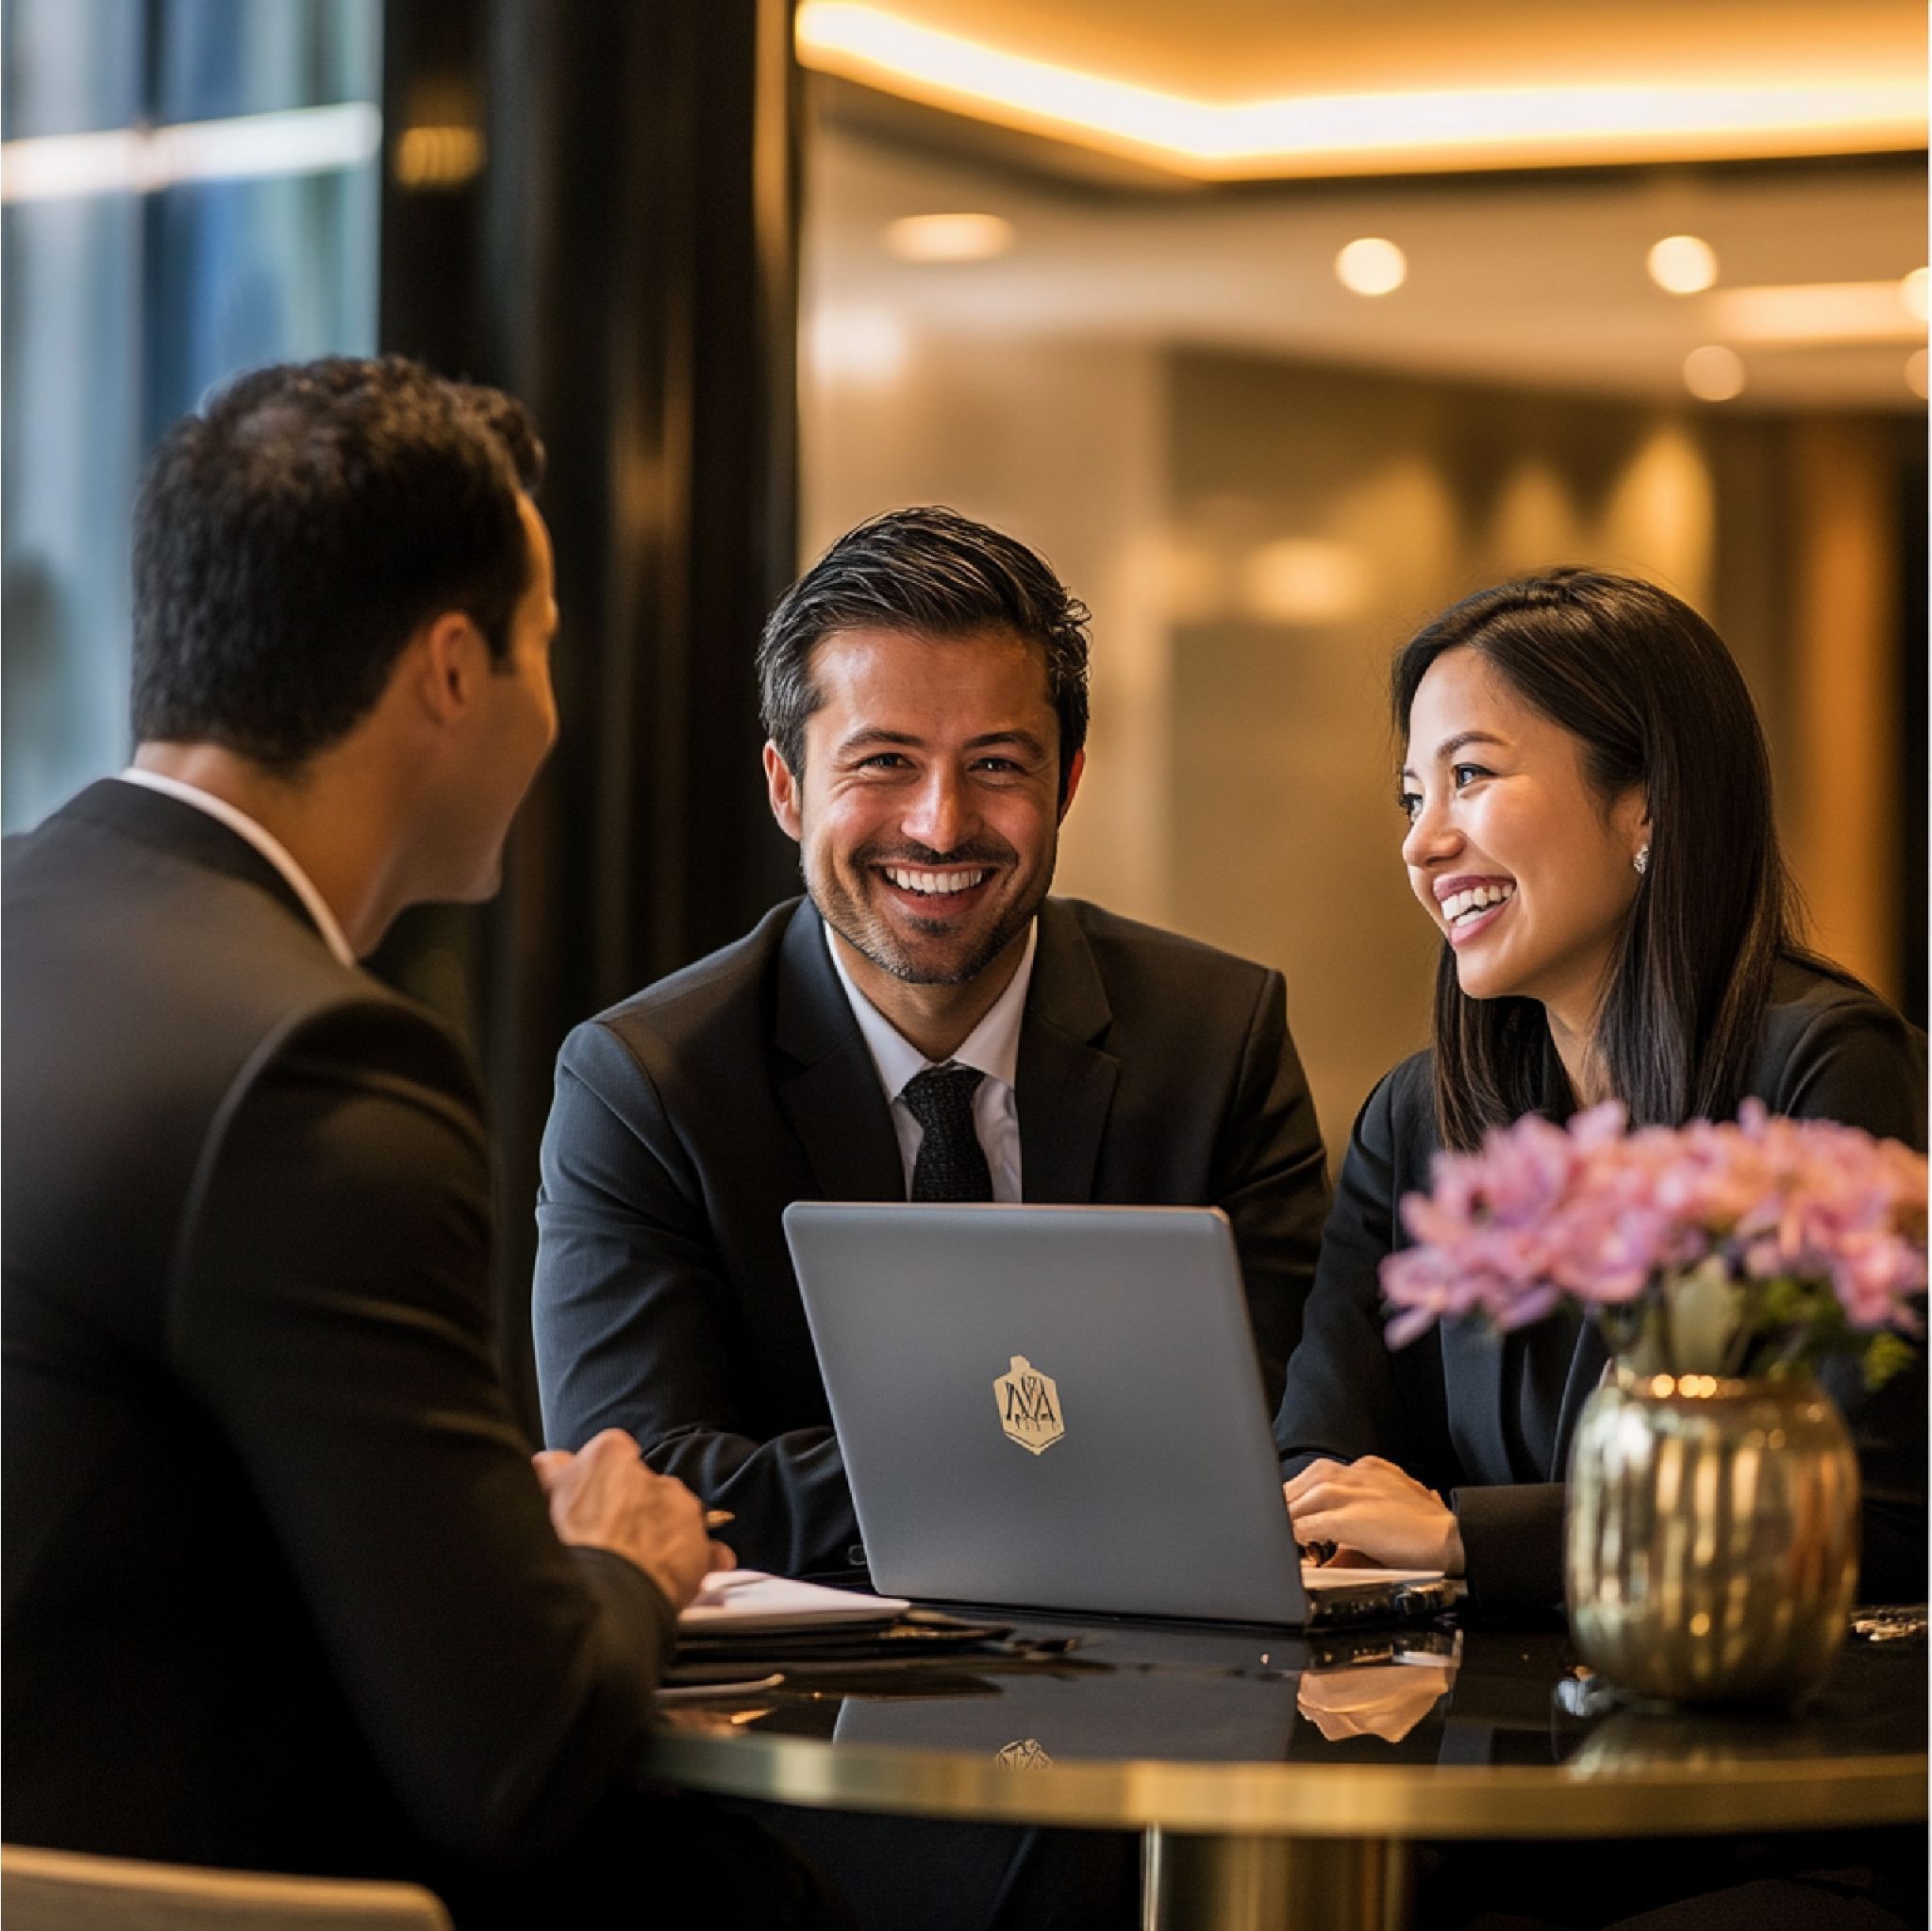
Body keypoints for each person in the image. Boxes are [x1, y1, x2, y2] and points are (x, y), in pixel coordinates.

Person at [2, 358, 833, 1928]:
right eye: (542, 650)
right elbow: (514, 1760)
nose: (552, 709)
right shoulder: (316, 1065)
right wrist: (624, 1556)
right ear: (452, 672)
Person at [531, 505, 1331, 1582]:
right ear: (785, 786)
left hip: (1157, 1701)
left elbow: (1279, 1440)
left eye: (997, 765)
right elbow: (641, 1480)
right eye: (884, 762)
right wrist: (1084, 1462)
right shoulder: (646, 1082)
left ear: (1069, 782)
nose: (940, 824)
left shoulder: (1212, 1040)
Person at [1275, 568, 1926, 1619]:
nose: (1421, 841)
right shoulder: (1416, 1117)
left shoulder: (1821, 1066)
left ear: (1646, 804)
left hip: (1741, 1743)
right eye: (1411, 795)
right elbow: (1321, 1452)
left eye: (1470, 777)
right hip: (1475, 1743)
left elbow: (1876, 1512)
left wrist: (1458, 1536)